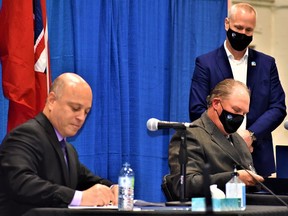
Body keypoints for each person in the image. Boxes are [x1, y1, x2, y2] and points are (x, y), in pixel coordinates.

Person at [189, 2, 286, 177]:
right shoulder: (206, 63)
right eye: (238, 27)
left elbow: (278, 107)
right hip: (216, 158)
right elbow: (197, 110)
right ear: (227, 23)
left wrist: (251, 135)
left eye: (248, 30)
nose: (242, 34)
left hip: (258, 158)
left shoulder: (267, 64)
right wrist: (229, 140)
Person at [0, 73, 118, 216]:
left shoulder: (68, 149)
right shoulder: (25, 136)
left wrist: (112, 189)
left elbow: (87, 180)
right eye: (75, 108)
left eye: (86, 112)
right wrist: (80, 198)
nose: (81, 117)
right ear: (51, 101)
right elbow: (21, 183)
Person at [168, 79, 264, 199]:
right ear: (216, 104)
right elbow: (184, 185)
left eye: (244, 114)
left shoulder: (238, 139)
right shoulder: (190, 135)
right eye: (236, 110)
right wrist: (234, 177)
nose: (240, 117)